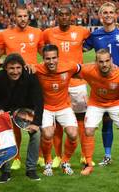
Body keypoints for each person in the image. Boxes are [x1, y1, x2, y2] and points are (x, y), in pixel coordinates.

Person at [42, 5, 92, 168]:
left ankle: (84, 155)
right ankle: (57, 156)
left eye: (66, 14)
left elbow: (92, 42)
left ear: (71, 16)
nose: (64, 17)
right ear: (57, 16)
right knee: (56, 122)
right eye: (61, 14)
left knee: (80, 121)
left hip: (77, 84)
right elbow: (42, 49)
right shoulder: (49, 33)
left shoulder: (81, 31)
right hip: (57, 84)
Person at [0, 4, 43, 170]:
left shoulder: (38, 33)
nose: (22, 19)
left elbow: (45, 55)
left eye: (25, 16)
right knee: (13, 120)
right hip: (12, 83)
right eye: (19, 16)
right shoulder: (5, 34)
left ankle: (39, 156)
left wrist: (37, 66)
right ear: (14, 17)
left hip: (31, 82)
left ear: (28, 17)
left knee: (34, 117)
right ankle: (15, 157)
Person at [0, 53, 44, 183]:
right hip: (5, 111)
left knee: (36, 133)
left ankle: (31, 169)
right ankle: (5, 172)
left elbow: (39, 101)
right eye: (11, 68)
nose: (15, 71)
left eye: (18, 68)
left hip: (25, 111)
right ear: (5, 68)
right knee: (1, 135)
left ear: (23, 67)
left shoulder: (31, 76)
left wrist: (36, 123)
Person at [83, 2, 119, 166]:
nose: (108, 15)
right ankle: (107, 155)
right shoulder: (95, 35)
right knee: (106, 120)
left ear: (116, 15)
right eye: (105, 12)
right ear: (100, 16)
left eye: (111, 12)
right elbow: (81, 49)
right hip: (104, 83)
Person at [35, 44, 79, 176]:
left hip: (64, 106)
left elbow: (84, 69)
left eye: (54, 58)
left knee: (73, 134)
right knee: (48, 134)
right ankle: (48, 161)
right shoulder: (37, 69)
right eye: (47, 59)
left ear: (58, 58)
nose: (51, 61)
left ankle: (65, 161)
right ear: (43, 59)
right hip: (46, 108)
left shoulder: (69, 66)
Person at [79, 49, 119, 175]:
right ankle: (88, 164)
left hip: (115, 103)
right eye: (101, 61)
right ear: (95, 62)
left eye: (107, 61)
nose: (104, 64)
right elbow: (72, 70)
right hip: (95, 103)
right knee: (88, 130)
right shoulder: (89, 70)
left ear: (111, 60)